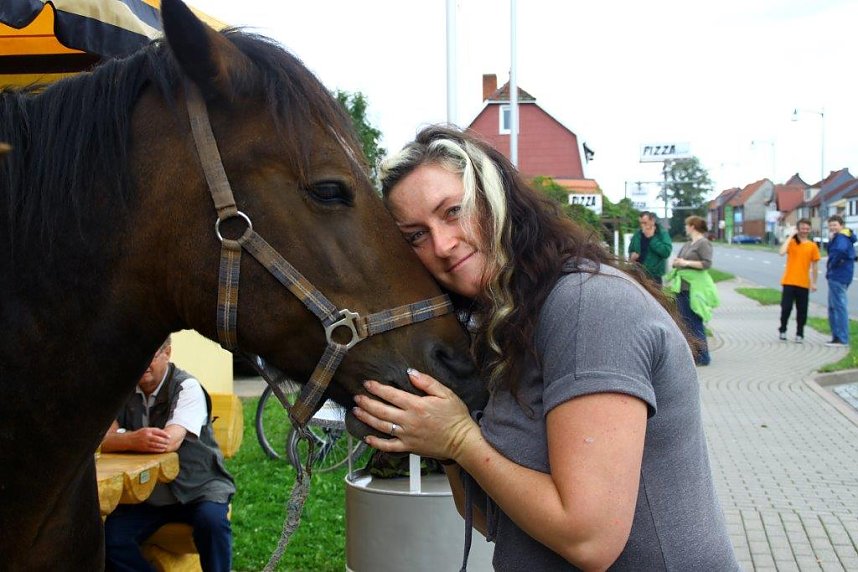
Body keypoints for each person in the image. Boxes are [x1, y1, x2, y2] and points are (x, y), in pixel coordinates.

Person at [352, 126, 738, 571]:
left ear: (495, 199)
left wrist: (459, 440)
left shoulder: (586, 306)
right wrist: (441, 442)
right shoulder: (510, 323)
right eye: (416, 236)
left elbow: (589, 540)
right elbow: (496, 521)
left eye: (453, 211)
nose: (441, 244)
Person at [101, 337, 235, 572]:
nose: (142, 362)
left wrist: (122, 437)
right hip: (146, 495)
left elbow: (168, 441)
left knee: (212, 522)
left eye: (150, 355)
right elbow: (102, 439)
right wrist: (133, 438)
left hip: (199, 488)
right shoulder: (120, 387)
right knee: (108, 538)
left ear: (167, 353)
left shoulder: (187, 387)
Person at [668, 215, 717, 366]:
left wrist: (686, 262)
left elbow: (706, 264)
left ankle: (703, 356)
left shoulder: (704, 243)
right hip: (681, 287)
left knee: (695, 321)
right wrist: (677, 263)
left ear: (693, 226)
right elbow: (679, 259)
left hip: (694, 289)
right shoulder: (688, 243)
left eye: (687, 225)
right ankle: (693, 354)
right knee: (685, 323)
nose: (685, 227)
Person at [777, 218, 820, 343]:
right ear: (798, 229)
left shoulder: (812, 246)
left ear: (810, 229)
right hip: (789, 281)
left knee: (802, 310)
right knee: (786, 308)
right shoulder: (792, 243)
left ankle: (800, 333)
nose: (804, 231)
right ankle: (783, 329)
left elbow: (815, 266)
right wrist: (791, 236)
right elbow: (781, 252)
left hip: (803, 283)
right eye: (802, 228)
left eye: (807, 228)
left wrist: (814, 282)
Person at [825, 214, 856, 347]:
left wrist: (833, 264)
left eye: (835, 225)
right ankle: (836, 337)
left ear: (841, 226)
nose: (832, 228)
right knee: (833, 307)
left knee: (839, 307)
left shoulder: (841, 237)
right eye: (830, 225)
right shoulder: (840, 237)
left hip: (838, 275)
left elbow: (840, 252)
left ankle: (842, 339)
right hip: (840, 275)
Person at [627, 211, 673, 285]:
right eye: (641, 223)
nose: (642, 225)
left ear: (652, 221)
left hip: (654, 276)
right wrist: (631, 256)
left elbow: (666, 252)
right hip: (637, 274)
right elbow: (630, 250)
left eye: (645, 222)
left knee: (654, 296)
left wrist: (651, 238)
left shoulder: (661, 233)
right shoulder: (638, 234)